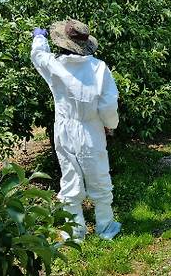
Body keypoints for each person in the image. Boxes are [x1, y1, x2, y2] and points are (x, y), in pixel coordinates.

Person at [30, 19, 121, 242]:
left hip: (64, 128)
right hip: (91, 129)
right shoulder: (99, 68)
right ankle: (105, 226)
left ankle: (75, 230)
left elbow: (38, 56)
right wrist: (110, 124)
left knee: (70, 177)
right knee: (98, 175)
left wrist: (39, 38)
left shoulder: (54, 64)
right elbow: (109, 105)